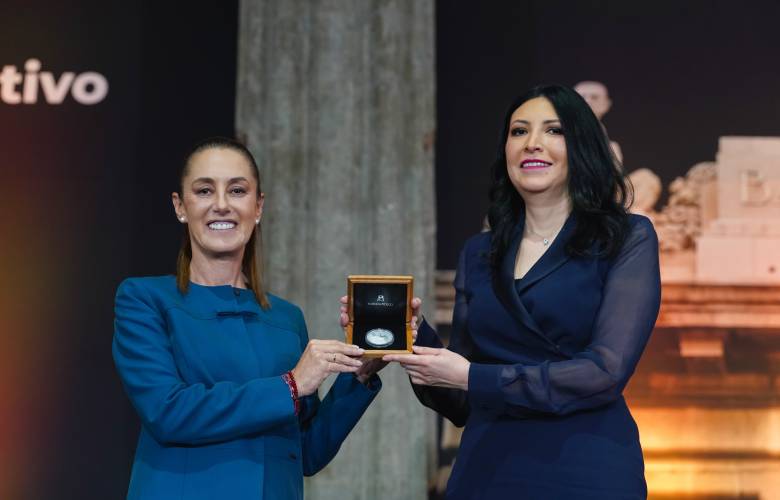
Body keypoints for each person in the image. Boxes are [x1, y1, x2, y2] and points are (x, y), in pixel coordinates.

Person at [384, 84, 661, 499]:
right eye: (518, 131)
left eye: (553, 130)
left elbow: (604, 372)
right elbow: (461, 400)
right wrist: (413, 332)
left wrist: (474, 377)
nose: (533, 143)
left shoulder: (626, 237)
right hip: (487, 467)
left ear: (583, 145)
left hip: (586, 468)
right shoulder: (479, 252)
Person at [113, 137, 385, 500]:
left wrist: (360, 374)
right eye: (205, 190)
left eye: (237, 190)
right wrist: (289, 385)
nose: (222, 205)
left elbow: (305, 452)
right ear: (181, 206)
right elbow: (168, 412)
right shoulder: (144, 299)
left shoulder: (287, 318)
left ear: (258, 207)